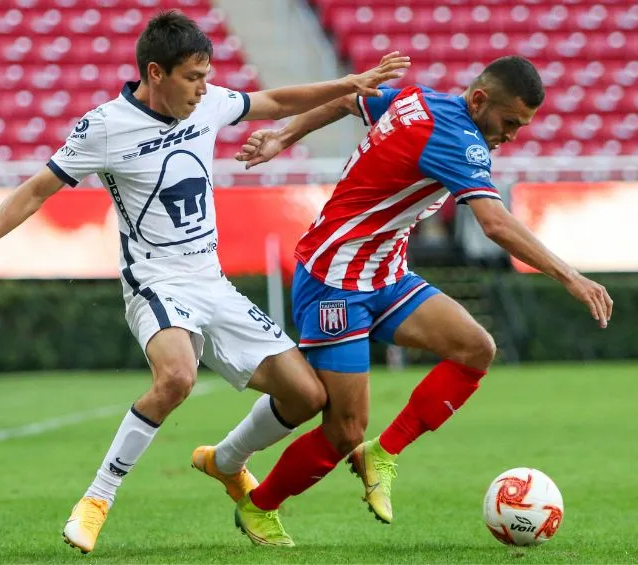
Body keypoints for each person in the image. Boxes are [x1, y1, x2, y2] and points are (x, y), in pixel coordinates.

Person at [0, 10, 409, 554]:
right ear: (155, 73)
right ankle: (96, 500)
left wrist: (351, 83)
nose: (204, 89)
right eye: (193, 77)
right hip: (154, 283)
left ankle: (226, 462)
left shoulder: (206, 104)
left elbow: (272, 103)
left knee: (306, 396)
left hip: (211, 280)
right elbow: (37, 190)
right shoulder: (105, 126)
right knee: (177, 378)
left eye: (207, 76)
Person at [193, 56, 614, 546]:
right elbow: (495, 224)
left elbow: (350, 100)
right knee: (344, 429)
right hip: (337, 279)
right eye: (509, 123)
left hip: (386, 274)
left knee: (476, 348)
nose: (511, 136)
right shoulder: (457, 138)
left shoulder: (421, 99)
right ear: (479, 101)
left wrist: (285, 136)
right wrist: (572, 277)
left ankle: (383, 454)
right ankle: (260, 507)